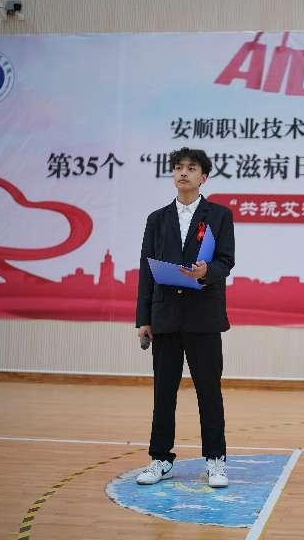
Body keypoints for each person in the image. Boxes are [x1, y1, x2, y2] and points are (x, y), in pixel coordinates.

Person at [134, 147, 235, 487]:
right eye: (178, 167)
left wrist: (207, 272)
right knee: (163, 393)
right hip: (165, 316)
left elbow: (226, 261)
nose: (183, 173)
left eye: (191, 168)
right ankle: (160, 459)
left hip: (203, 317)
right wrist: (143, 318)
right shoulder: (157, 219)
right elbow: (146, 270)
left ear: (203, 177)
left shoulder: (219, 215)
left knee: (209, 391)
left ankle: (215, 461)